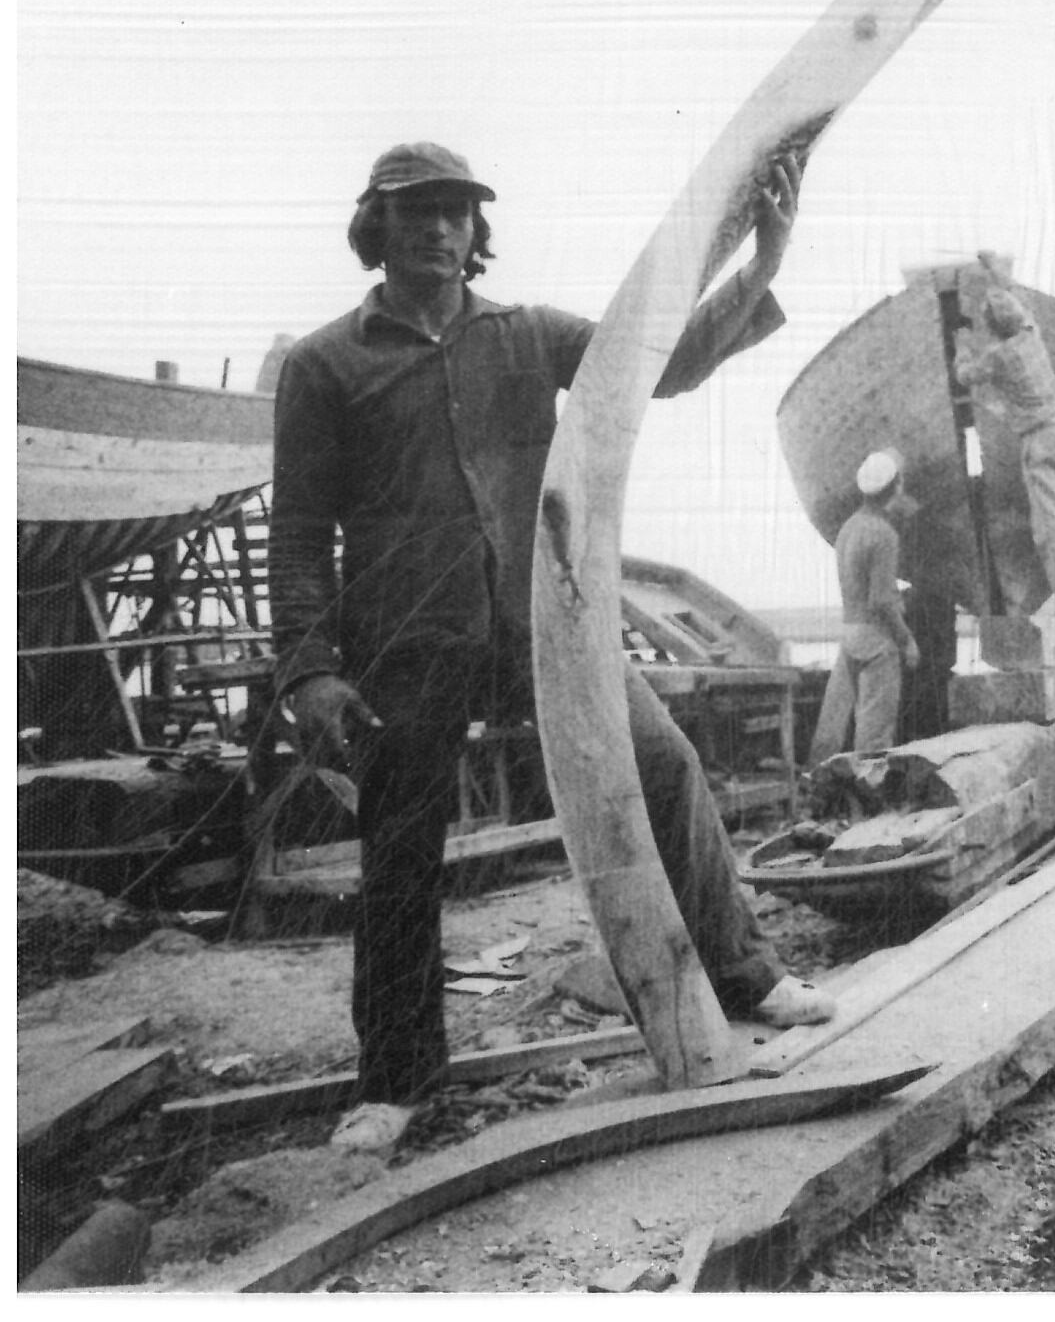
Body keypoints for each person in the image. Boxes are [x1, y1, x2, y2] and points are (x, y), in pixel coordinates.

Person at [271, 141, 832, 1155]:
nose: (440, 227)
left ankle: (747, 974)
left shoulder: (527, 336)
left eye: (457, 210)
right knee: (400, 853)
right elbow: (301, 530)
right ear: (377, 228)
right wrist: (308, 668)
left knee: (665, 767)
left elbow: (664, 358)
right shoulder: (323, 367)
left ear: (478, 231)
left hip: (544, 624)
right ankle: (395, 1080)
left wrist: (765, 263)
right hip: (409, 642)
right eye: (417, 211)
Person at [954, 282, 1055, 616]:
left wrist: (962, 343)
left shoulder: (999, 356)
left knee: (1051, 522)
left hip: (1040, 442)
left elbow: (966, 376)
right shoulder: (1031, 335)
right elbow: (1021, 309)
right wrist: (993, 273)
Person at [807, 449, 920, 764]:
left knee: (835, 721)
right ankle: (869, 801)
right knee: (874, 733)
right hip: (876, 641)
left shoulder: (848, 529)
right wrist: (906, 640)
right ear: (895, 488)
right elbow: (881, 600)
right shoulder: (884, 534)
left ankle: (819, 789)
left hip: (849, 633)